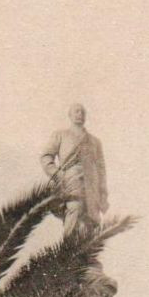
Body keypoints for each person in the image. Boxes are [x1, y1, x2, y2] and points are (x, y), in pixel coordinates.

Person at [39, 103, 109, 240]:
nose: (80, 114)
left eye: (83, 112)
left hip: (91, 192)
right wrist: (58, 174)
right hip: (71, 188)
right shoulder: (60, 135)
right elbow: (46, 156)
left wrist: (103, 196)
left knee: (91, 233)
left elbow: (101, 171)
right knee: (72, 223)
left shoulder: (95, 142)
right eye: (76, 112)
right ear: (70, 115)